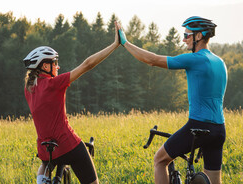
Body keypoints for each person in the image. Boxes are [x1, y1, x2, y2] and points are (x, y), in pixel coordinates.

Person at [117, 16, 227, 184]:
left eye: (187, 35)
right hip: (219, 130)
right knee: (213, 181)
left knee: (160, 160)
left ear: (199, 36)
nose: (184, 39)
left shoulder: (195, 59)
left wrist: (125, 43)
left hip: (198, 126)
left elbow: (152, 60)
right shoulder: (220, 62)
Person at [23, 22, 120, 184]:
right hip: (68, 145)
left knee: (45, 164)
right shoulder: (54, 84)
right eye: (55, 63)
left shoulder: (29, 89)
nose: (58, 66)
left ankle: (41, 181)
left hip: (46, 150)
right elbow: (87, 64)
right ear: (45, 66)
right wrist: (114, 45)